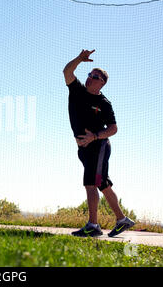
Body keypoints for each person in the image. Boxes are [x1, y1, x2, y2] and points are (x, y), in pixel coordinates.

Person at [63, 49, 135, 237]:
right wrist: (79, 58)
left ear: (102, 82)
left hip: (99, 146)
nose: (89, 78)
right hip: (84, 149)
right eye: (89, 74)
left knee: (91, 184)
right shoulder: (77, 90)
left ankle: (93, 226)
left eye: (95, 76)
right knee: (102, 183)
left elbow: (113, 129)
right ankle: (122, 220)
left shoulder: (104, 103)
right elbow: (67, 72)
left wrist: (94, 136)